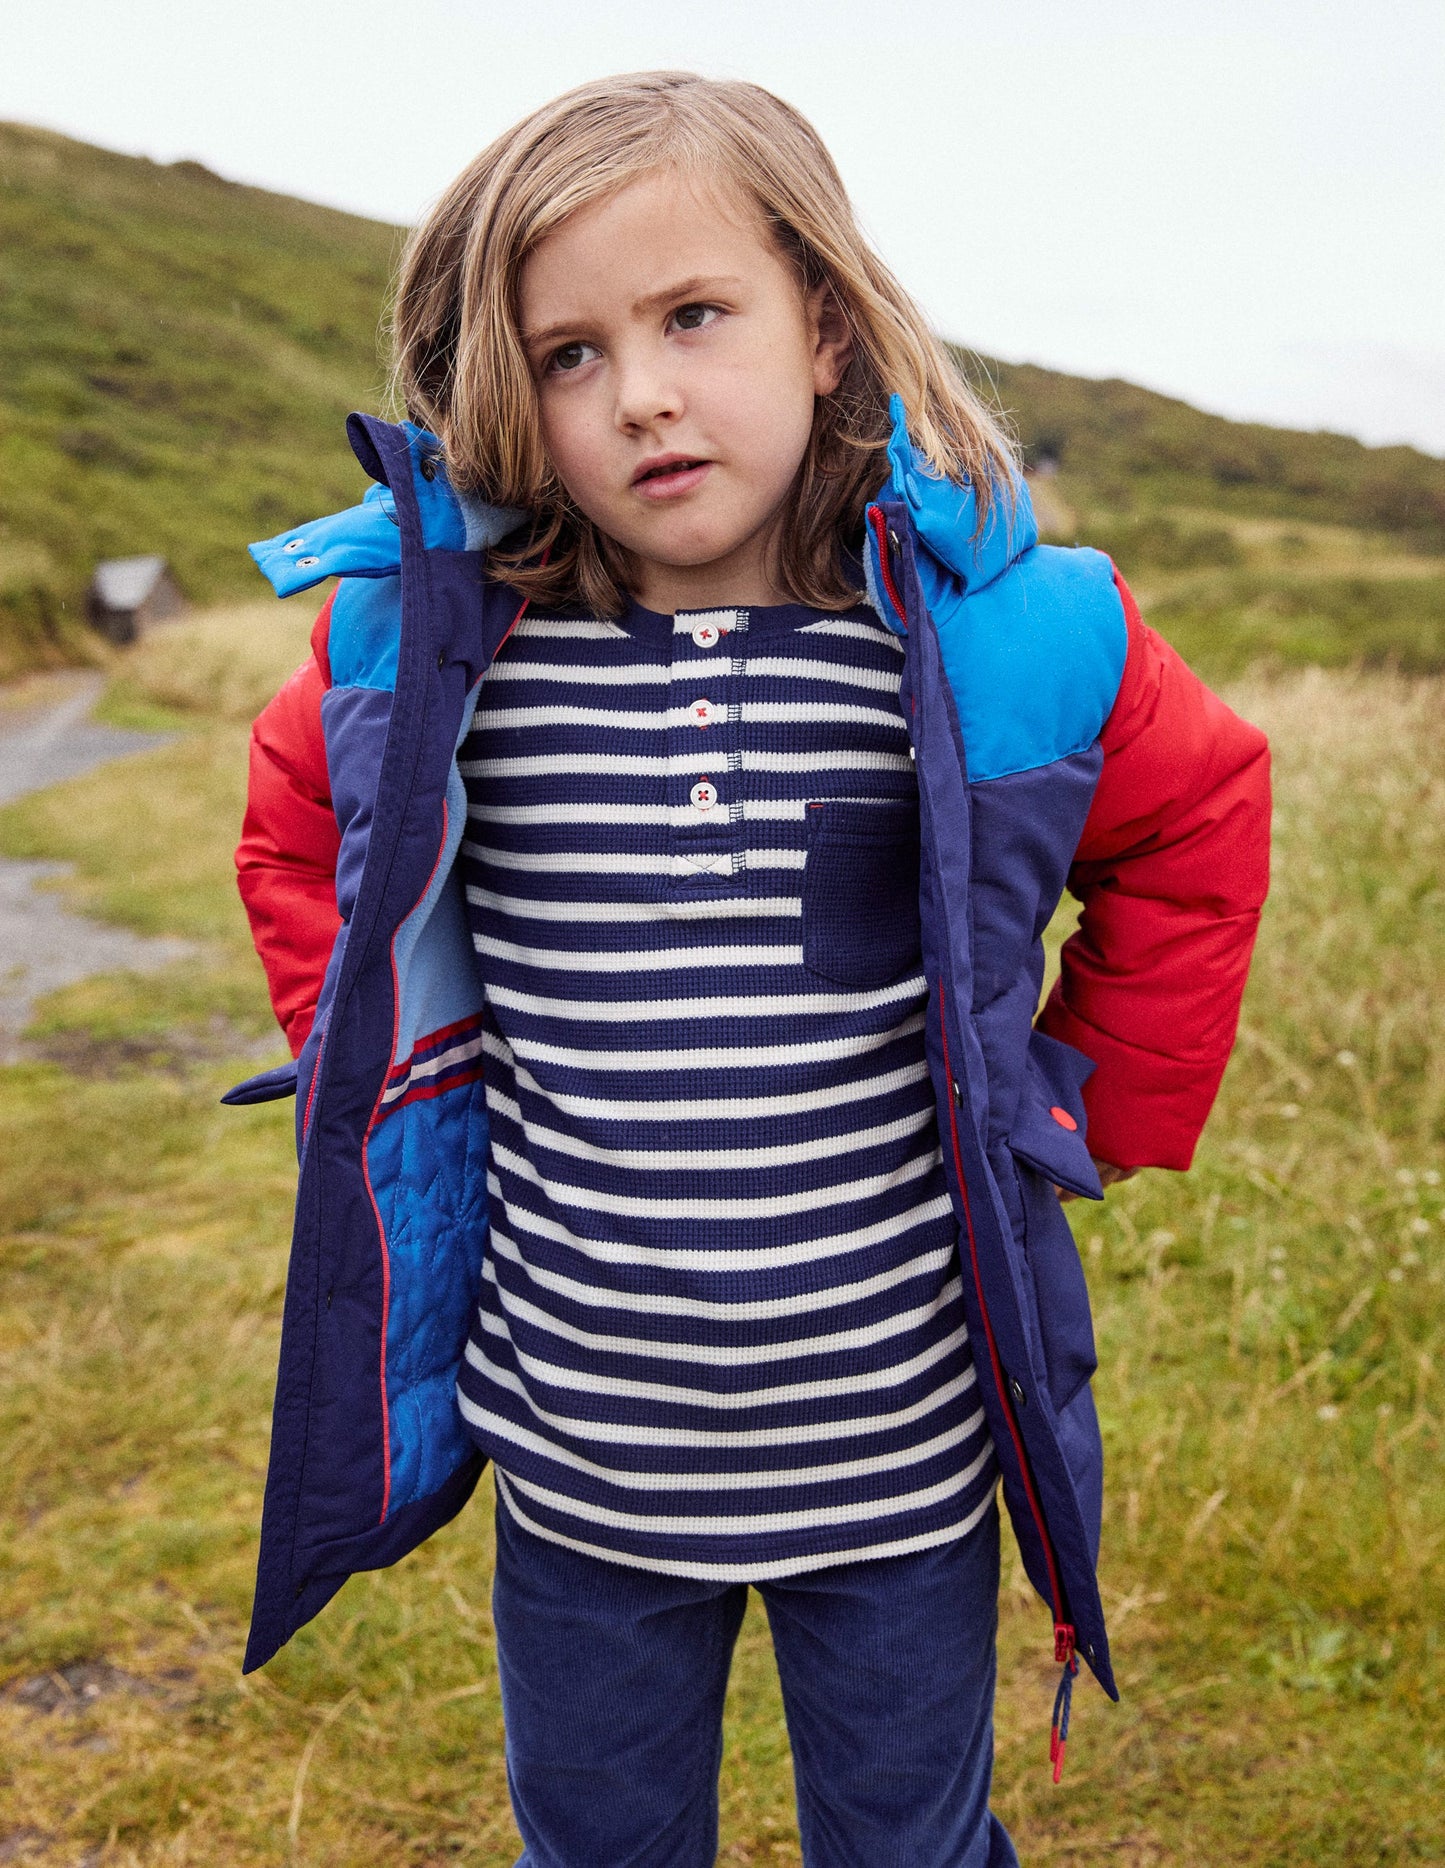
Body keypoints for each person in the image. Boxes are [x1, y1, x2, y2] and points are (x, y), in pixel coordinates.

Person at [229, 71, 1271, 1868]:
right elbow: (294, 828)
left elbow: (1197, 823)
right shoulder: (442, 654)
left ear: (823, 326)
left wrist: (1089, 1095)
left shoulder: (989, 638)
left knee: (909, 1846)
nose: (637, 392)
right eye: (565, 354)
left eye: (692, 316)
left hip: (900, 1451)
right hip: (577, 1453)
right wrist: (383, 1071)